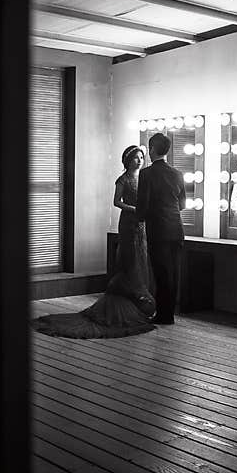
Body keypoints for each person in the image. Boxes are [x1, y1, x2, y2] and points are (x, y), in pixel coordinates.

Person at [32, 145, 156, 339]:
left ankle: (140, 302)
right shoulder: (123, 179)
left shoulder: (145, 178)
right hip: (129, 221)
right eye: (135, 158)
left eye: (141, 157)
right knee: (130, 258)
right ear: (127, 161)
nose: (139, 161)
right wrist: (133, 208)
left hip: (142, 223)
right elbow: (116, 202)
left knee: (141, 257)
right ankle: (130, 298)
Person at [136, 132, 186, 325]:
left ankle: (164, 316)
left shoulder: (146, 174)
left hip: (158, 229)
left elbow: (142, 206)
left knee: (161, 274)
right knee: (174, 273)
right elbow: (182, 204)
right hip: (177, 229)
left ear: (153, 149)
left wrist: (140, 217)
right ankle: (168, 314)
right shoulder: (177, 173)